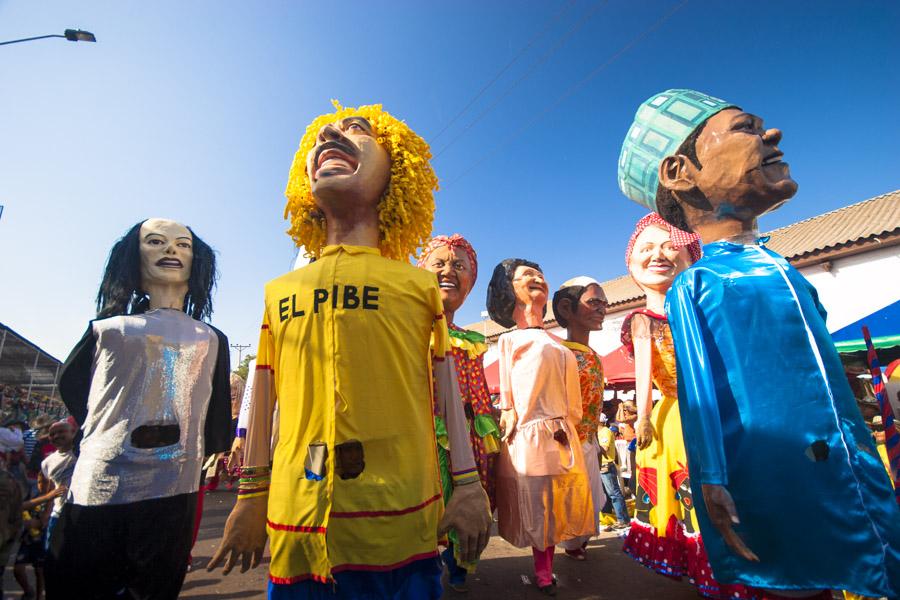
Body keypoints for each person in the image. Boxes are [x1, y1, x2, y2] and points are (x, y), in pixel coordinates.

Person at [618, 88, 900, 598]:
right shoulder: (700, 283)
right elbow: (699, 390)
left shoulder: (781, 267)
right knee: (791, 580)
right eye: (746, 128)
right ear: (681, 172)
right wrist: (713, 483)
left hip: (844, 468)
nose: (772, 135)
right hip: (771, 473)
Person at [209, 103, 491, 599]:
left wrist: (468, 485)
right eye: (320, 136)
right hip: (298, 520)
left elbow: (449, 393)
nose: (330, 139)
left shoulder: (419, 288)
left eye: (356, 130)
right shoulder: (278, 292)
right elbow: (264, 392)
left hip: (400, 524)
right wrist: (250, 495)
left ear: (397, 172)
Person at [47, 218, 233, 600]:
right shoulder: (108, 329)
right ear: (134, 256)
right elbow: (75, 385)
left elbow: (215, 416)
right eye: (156, 242)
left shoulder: (212, 339)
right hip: (101, 485)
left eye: (183, 245)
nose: (171, 251)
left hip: (175, 486)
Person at [619, 213, 753, 598]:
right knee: (691, 492)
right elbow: (644, 369)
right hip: (676, 416)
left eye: (668, 245)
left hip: (718, 408)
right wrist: (642, 416)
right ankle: (708, 568)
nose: (657, 254)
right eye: (645, 248)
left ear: (691, 255)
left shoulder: (705, 310)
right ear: (630, 264)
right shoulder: (643, 320)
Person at [487, 259, 594, 596]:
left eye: (539, 274)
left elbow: (573, 395)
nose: (536, 278)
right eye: (525, 276)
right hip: (528, 434)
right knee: (534, 503)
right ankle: (542, 571)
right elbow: (506, 394)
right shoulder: (508, 342)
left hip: (562, 434)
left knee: (558, 503)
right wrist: (507, 418)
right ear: (509, 290)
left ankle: (548, 565)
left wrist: (572, 425)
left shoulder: (558, 343)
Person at [418, 234, 500, 592]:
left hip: (470, 437)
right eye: (439, 263)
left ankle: (459, 564)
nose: (449, 271)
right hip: (423, 435)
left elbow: (480, 393)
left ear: (471, 281)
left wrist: (491, 437)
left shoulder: (472, 339)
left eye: (459, 265)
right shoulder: (407, 331)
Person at [551, 277, 609, 561]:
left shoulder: (595, 357)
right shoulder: (557, 355)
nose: (602, 309)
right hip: (565, 445)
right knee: (569, 499)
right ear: (566, 307)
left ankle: (579, 539)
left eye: (604, 303)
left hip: (588, 441)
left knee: (590, 498)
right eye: (593, 302)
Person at [39, 421, 76, 550]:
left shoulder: (84, 454)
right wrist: (46, 514)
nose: (56, 436)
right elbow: (51, 490)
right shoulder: (47, 463)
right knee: (52, 556)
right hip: (58, 515)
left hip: (81, 514)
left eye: (61, 432)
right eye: (52, 434)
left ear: (73, 433)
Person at [597, 415, 628, 530]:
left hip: (606, 466)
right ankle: (607, 517)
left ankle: (623, 519)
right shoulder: (599, 433)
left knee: (614, 493)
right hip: (601, 466)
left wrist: (593, 445)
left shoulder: (605, 432)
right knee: (605, 494)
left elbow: (604, 449)